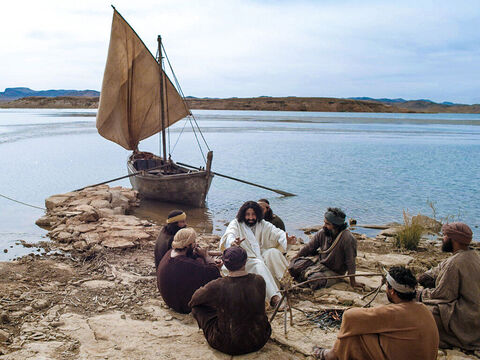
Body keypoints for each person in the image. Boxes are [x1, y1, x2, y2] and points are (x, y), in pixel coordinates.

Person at [312, 266, 439, 360]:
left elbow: (350, 316)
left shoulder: (396, 312)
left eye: (387, 287)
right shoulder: (422, 308)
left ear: (393, 291)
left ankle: (331, 355)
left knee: (355, 336)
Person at [189, 246, 271, 356]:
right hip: (259, 339)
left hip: (227, 345)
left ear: (225, 264)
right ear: (245, 261)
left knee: (197, 308)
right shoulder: (259, 280)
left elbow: (194, 300)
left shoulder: (218, 285)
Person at [220, 200, 296, 308]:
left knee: (273, 253)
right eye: (248, 214)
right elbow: (230, 234)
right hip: (244, 260)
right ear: (243, 214)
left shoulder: (263, 224)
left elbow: (277, 232)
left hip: (260, 255)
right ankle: (275, 298)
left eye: (253, 214)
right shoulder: (236, 223)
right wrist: (232, 242)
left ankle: (285, 285)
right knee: (258, 264)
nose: (251, 218)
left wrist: (285, 239)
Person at [417, 222, 480, 351]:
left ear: (454, 240)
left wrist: (418, 294)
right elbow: (439, 268)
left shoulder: (455, 263)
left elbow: (442, 295)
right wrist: (426, 277)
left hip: (466, 318)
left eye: (445, 236)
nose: (442, 239)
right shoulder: (473, 255)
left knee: (422, 312)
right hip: (475, 315)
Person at [289, 207, 362, 289]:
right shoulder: (323, 232)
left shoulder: (348, 238)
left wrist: (353, 282)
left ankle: (307, 278)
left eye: (327, 224)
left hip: (334, 271)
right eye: (324, 223)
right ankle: (304, 276)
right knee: (293, 267)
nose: (324, 226)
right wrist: (295, 257)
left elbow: (350, 261)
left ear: (336, 226)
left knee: (314, 280)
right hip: (319, 262)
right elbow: (309, 247)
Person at [156, 227, 221, 314]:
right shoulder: (187, 264)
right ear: (187, 245)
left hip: (169, 300)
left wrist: (207, 257)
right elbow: (214, 272)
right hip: (182, 306)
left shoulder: (170, 253)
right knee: (218, 285)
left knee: (200, 262)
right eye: (194, 242)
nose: (196, 244)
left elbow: (192, 256)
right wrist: (206, 257)